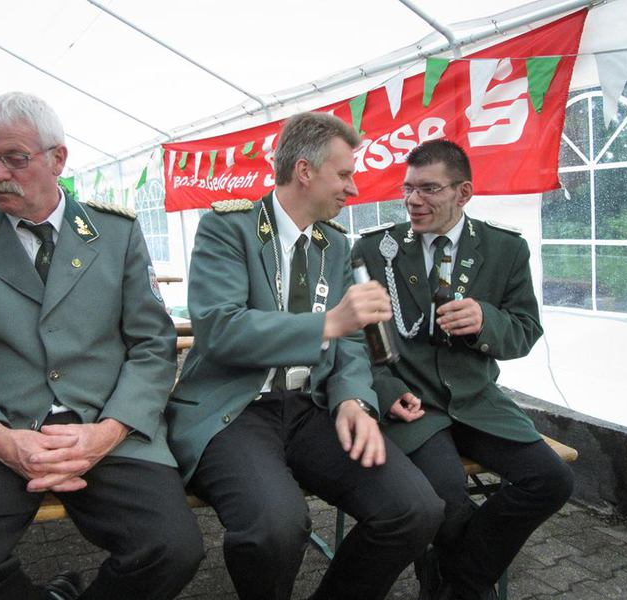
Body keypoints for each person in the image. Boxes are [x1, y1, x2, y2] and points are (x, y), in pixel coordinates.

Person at [0, 91, 203, 600]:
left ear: (57, 158)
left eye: (14, 159)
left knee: (172, 550)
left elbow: (152, 346)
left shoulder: (116, 233)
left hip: (106, 427)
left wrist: (108, 431)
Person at [168, 111, 443, 600]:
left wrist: (353, 400)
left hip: (309, 406)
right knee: (275, 528)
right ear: (304, 171)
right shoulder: (227, 227)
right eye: (344, 174)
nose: (353, 188)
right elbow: (220, 330)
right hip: (234, 409)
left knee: (416, 509)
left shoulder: (333, 244)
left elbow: (353, 344)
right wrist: (329, 323)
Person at [352, 139, 574, 600]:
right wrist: (385, 389)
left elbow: (526, 330)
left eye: (429, 189)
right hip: (413, 404)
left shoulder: (504, 248)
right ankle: (469, 586)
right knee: (445, 496)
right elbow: (356, 339)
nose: (413, 200)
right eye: (408, 188)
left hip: (477, 400)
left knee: (552, 481)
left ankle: (453, 576)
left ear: (464, 193)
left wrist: (485, 321)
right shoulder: (375, 249)